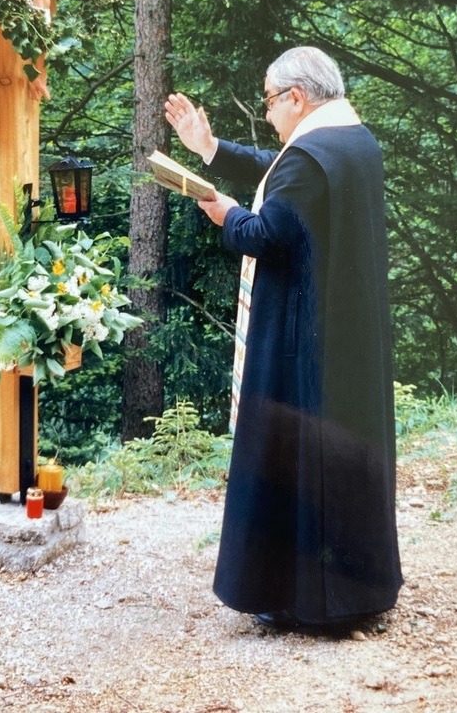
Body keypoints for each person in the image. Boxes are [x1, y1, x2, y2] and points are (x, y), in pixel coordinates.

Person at [165, 45, 403, 632]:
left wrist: (224, 213)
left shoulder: (311, 155)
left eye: (270, 100)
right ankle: (354, 592)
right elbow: (281, 171)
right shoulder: (352, 140)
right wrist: (210, 149)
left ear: (297, 97)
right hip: (347, 334)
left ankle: (302, 600)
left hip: (303, 339)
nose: (268, 112)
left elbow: (267, 235)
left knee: (298, 457)